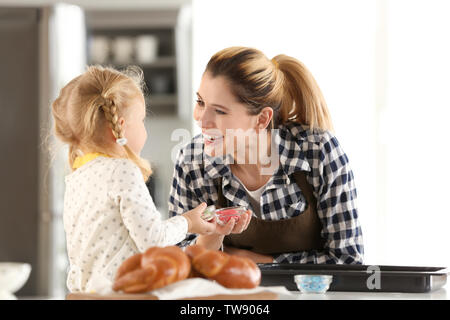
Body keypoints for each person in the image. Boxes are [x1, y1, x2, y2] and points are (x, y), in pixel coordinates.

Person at [169, 46, 364, 264]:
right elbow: (177, 261)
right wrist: (212, 238)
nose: (202, 121)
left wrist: (258, 261)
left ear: (262, 119)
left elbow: (348, 261)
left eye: (220, 111)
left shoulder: (317, 151)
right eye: (200, 102)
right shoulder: (192, 162)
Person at [51, 65, 216, 292]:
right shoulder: (122, 171)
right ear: (120, 127)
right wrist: (189, 222)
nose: (144, 130)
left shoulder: (77, 176)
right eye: (141, 120)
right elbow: (153, 240)